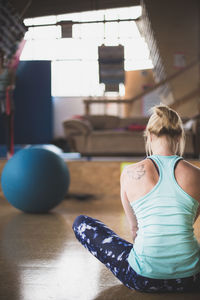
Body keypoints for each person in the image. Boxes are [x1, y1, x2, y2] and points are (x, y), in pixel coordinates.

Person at [72, 104, 200, 293]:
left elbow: (135, 229)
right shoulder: (197, 175)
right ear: (180, 136)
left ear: (148, 135)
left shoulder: (129, 173)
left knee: (81, 223)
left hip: (143, 278)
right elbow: (189, 219)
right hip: (191, 279)